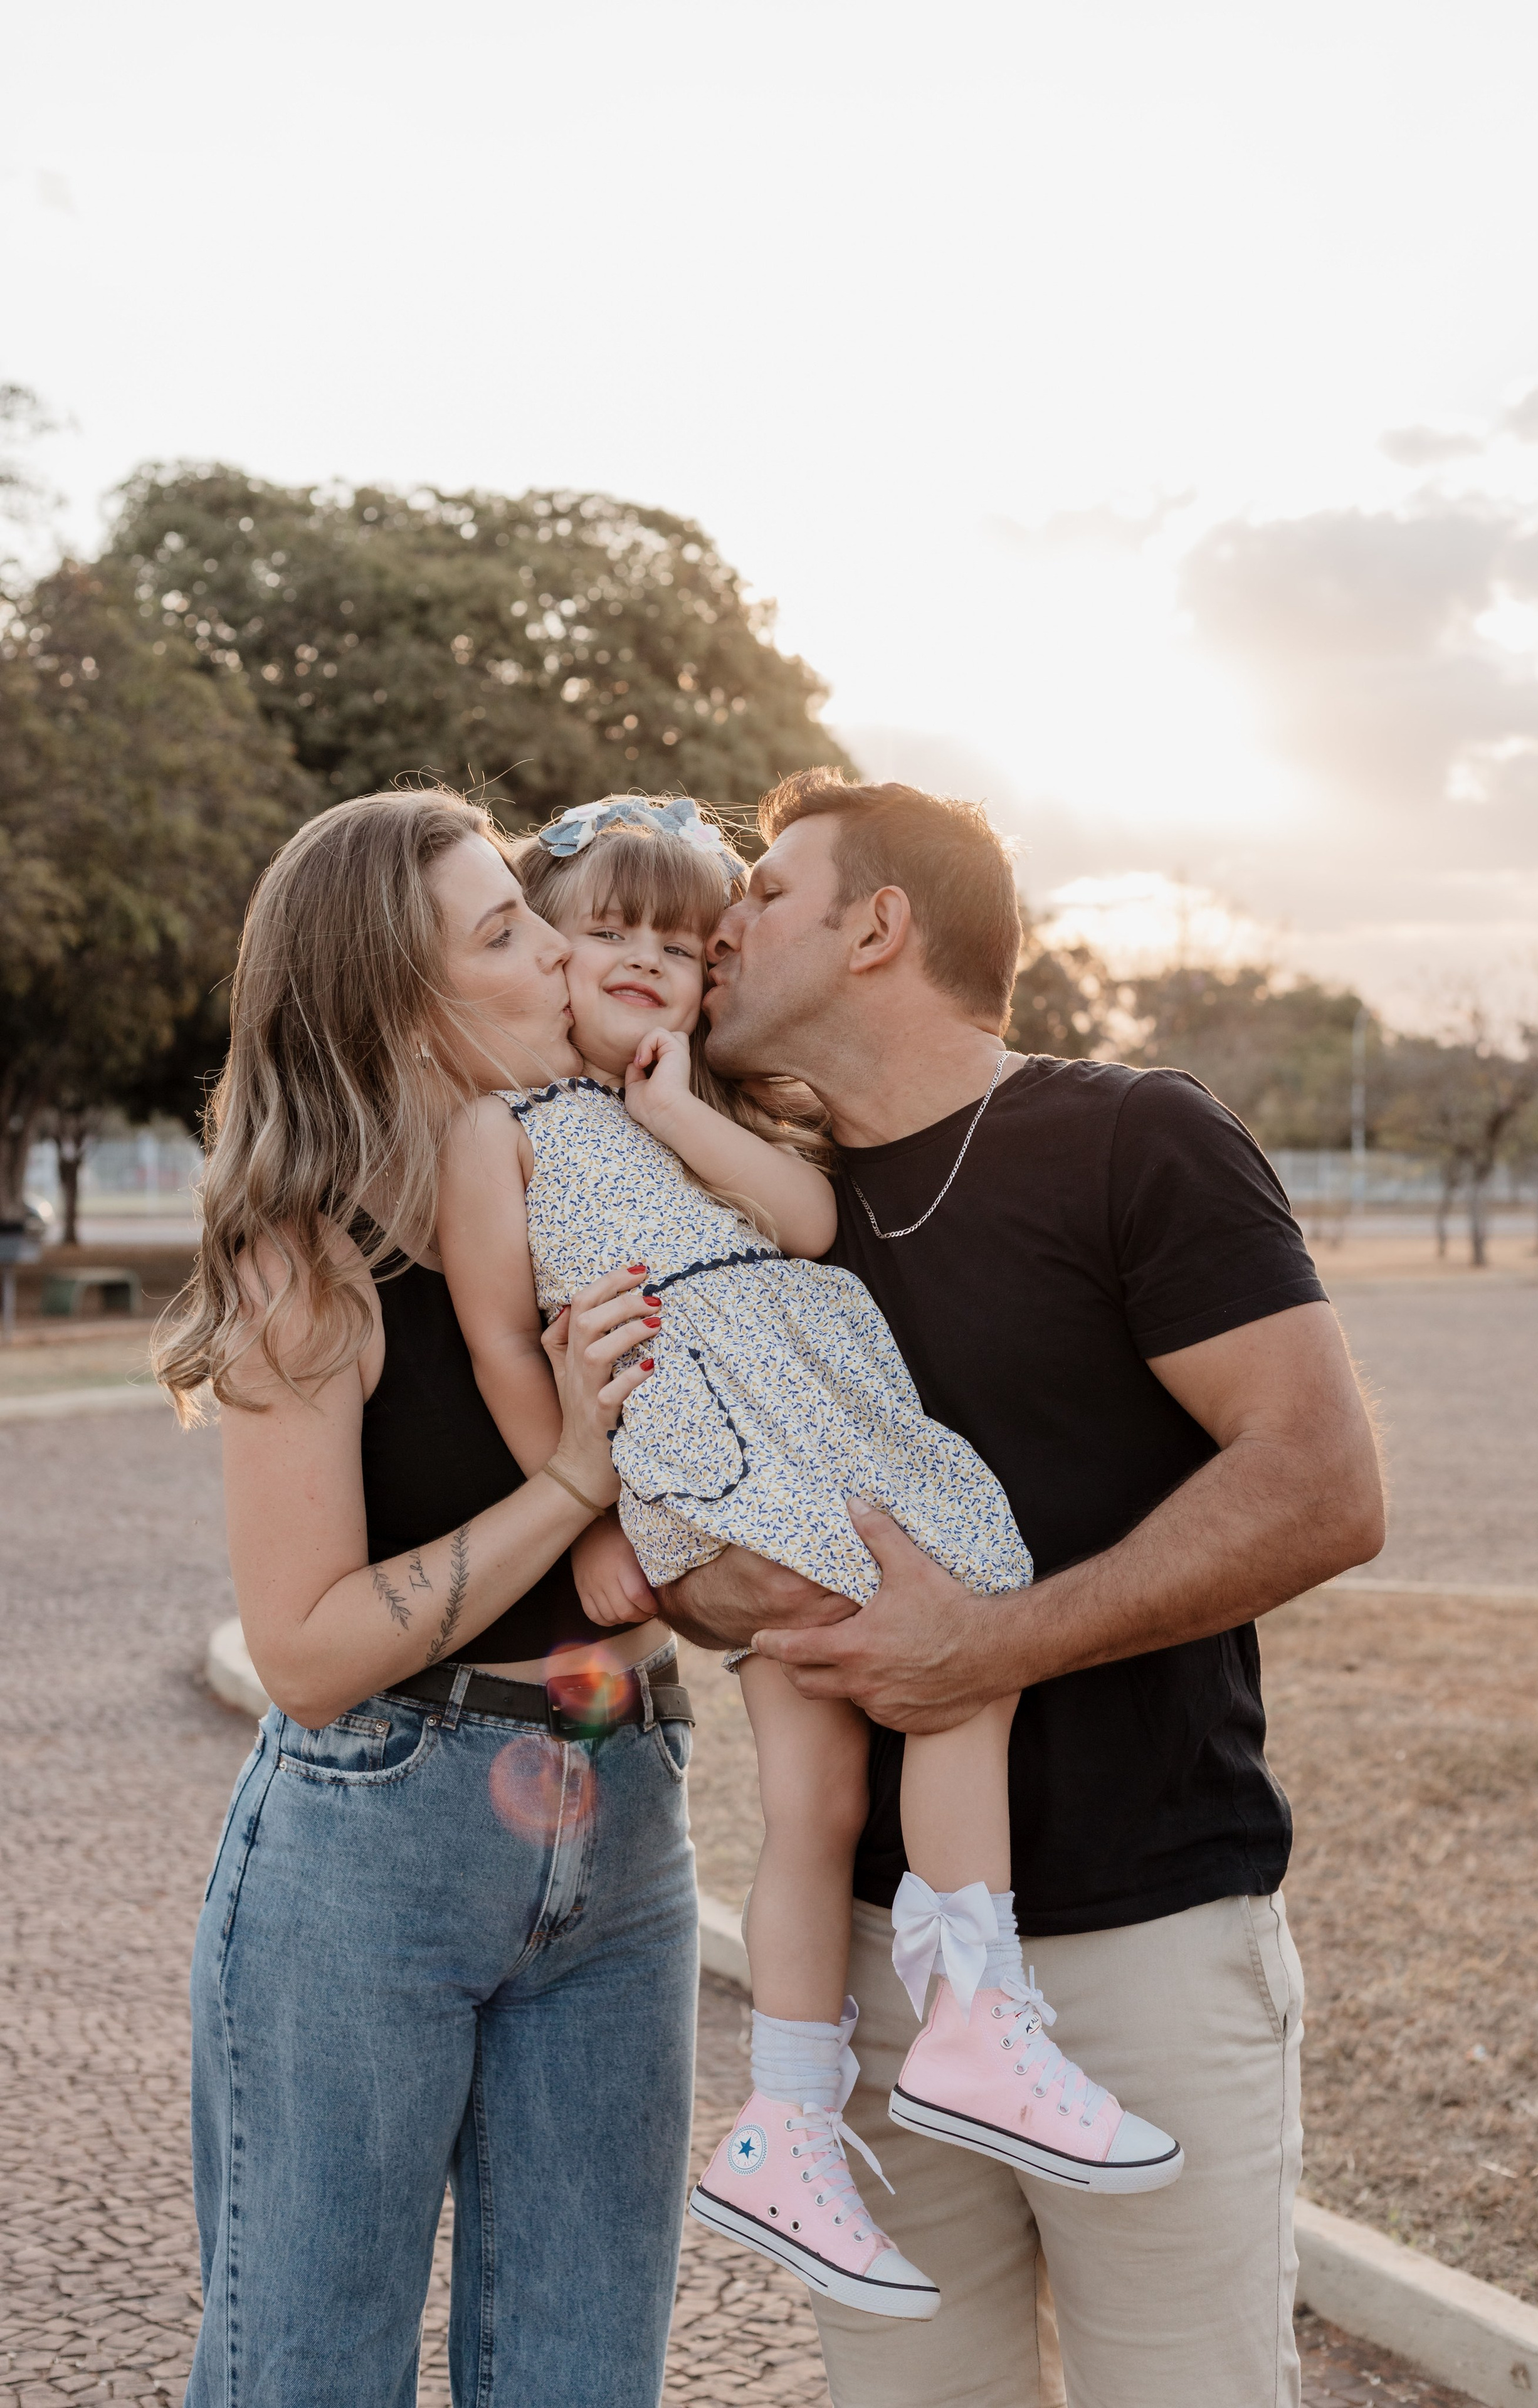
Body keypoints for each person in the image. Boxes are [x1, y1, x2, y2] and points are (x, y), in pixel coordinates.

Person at [656, 769, 1386, 2408]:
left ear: (878, 926)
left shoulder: (1136, 1142)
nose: (724, 924)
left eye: (767, 892)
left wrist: (991, 1647)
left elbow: (1323, 1482)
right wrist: (726, 1592)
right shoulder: (751, 1217)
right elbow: (696, 1555)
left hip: (1144, 1960)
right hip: (867, 1976)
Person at [434, 796, 1182, 2321]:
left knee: (821, 1802)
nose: (645, 959)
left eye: (683, 940)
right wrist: (588, 1523)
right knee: (957, 1653)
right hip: (711, 1448)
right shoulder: (494, 1133)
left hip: (814, 1421)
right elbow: (504, 1348)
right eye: (605, 932)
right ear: (544, 957)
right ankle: (971, 2015)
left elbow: (809, 1222)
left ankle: (784, 2121)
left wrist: (674, 1109)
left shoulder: (709, 1116)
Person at [155, 791, 699, 2408]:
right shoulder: (300, 1258)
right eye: (504, 934)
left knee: (582, 2384)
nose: (562, 947)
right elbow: (307, 1654)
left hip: (625, 1805)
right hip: (373, 1849)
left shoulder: (602, 1180)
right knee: (307, 2376)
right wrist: (572, 1479)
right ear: (404, 1005)